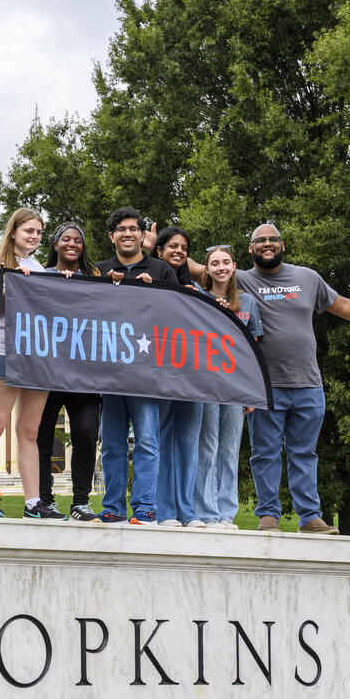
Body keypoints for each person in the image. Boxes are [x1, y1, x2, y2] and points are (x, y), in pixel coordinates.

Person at [238, 222, 350, 534]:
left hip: (308, 384)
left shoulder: (306, 277)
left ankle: (309, 518)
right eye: (260, 240)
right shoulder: (240, 280)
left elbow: (342, 305)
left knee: (304, 453)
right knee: (264, 453)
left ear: (283, 245)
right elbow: (200, 270)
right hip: (266, 386)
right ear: (251, 249)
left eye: (273, 239)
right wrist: (154, 246)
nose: (267, 244)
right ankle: (268, 517)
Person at [93, 207, 177, 524]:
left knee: (147, 442)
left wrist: (153, 290)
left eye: (133, 228)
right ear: (112, 236)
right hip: (110, 375)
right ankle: (113, 507)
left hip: (147, 374)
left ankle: (144, 508)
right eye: (121, 229)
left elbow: (178, 314)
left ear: (143, 235)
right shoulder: (99, 271)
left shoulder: (161, 270)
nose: (127, 233)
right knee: (112, 445)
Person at [0, 208, 59, 519]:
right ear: (13, 232)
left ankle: (33, 502)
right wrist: (3, 283)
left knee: (29, 431)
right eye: (29, 231)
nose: (35, 237)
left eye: (39, 232)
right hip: (3, 349)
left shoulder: (40, 268)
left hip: (37, 354)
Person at [34, 222, 101, 521]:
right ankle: (44, 500)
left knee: (86, 432)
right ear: (55, 244)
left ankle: (80, 502)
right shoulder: (39, 276)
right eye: (66, 239)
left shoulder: (95, 281)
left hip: (85, 373)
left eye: (78, 240)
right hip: (47, 370)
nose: (72, 244)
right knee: (42, 436)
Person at [195, 245, 262, 528]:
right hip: (207, 385)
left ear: (234, 266)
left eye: (225, 262)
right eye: (214, 263)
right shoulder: (199, 299)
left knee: (230, 450)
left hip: (236, 387)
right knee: (207, 447)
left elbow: (254, 349)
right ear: (207, 269)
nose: (220, 268)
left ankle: (226, 514)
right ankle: (206, 511)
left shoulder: (247, 303)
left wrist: (252, 391)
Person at [151, 226, 205, 527]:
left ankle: (188, 511)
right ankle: (164, 511)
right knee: (159, 440)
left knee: (189, 443)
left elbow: (217, 270)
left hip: (193, 375)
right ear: (159, 251)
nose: (179, 252)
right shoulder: (149, 282)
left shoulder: (197, 289)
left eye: (184, 248)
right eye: (172, 246)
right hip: (159, 373)